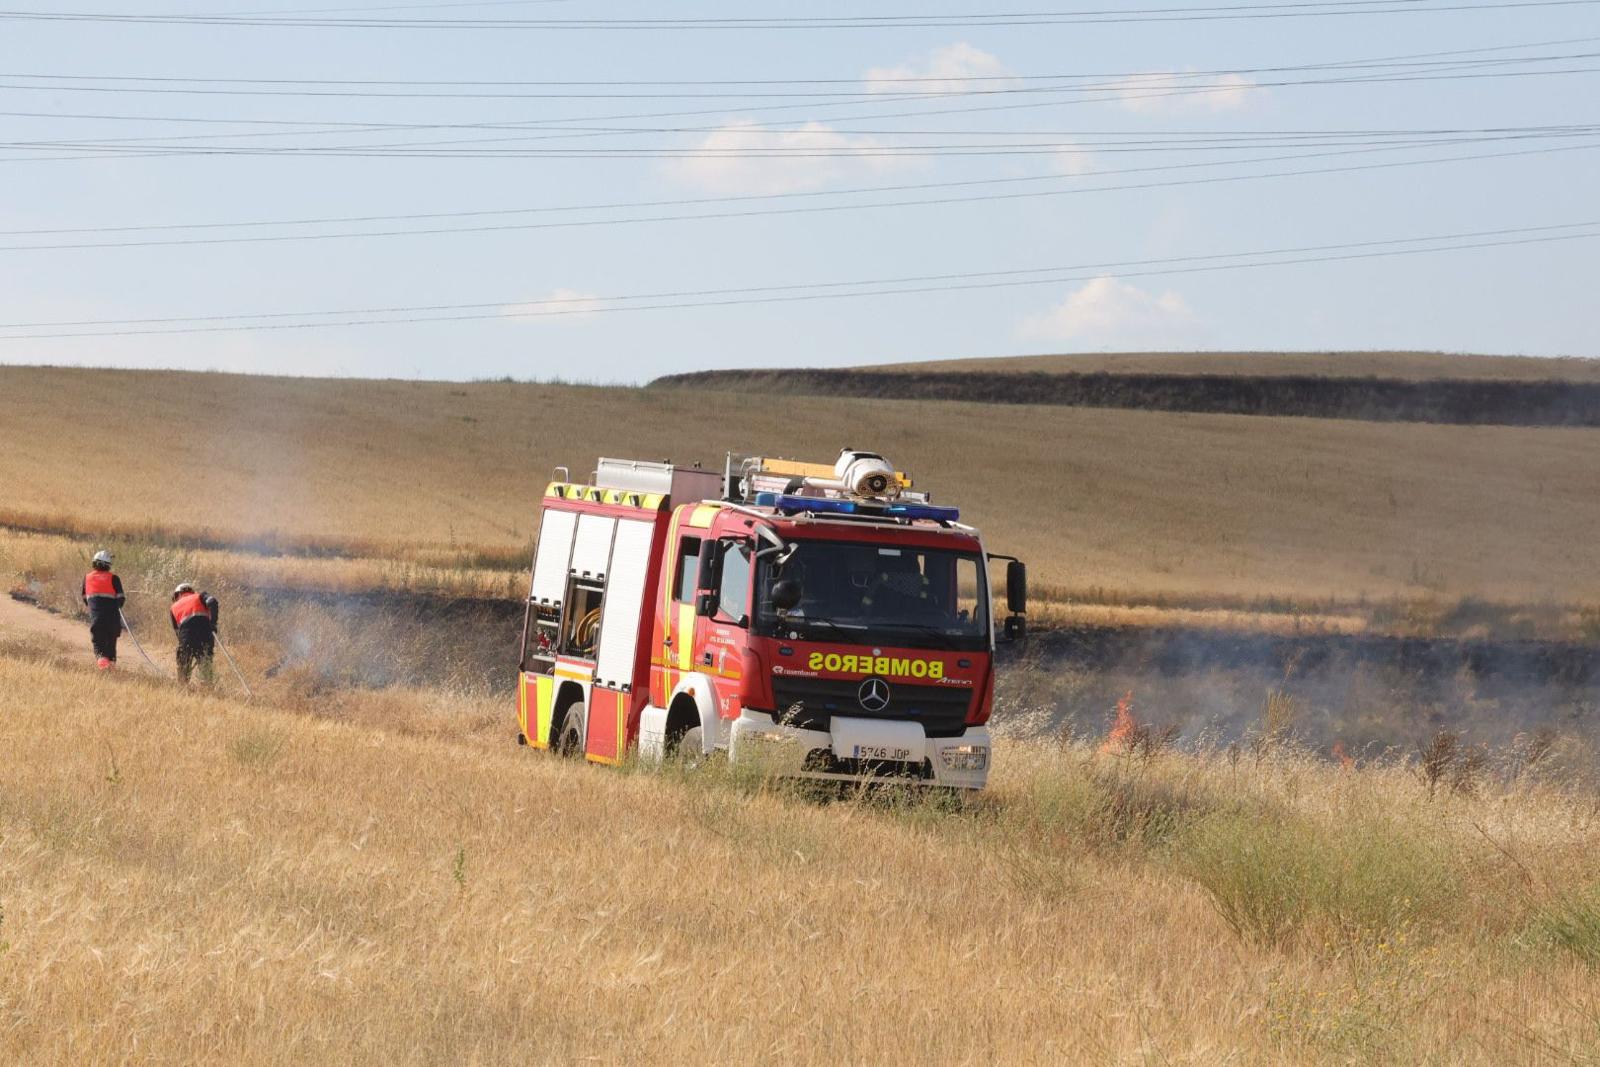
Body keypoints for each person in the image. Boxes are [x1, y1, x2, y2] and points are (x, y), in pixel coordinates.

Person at [81, 549, 126, 670]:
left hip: (97, 619)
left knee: (99, 647)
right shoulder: (114, 578)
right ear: (108, 565)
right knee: (111, 646)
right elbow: (121, 599)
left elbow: (85, 598)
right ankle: (111, 669)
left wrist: (94, 607)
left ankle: (104, 669)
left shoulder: (87, 578)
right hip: (113, 620)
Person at [169, 582, 220, 684]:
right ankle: (208, 689)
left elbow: (177, 631)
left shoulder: (173, 607)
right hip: (205, 635)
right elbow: (213, 602)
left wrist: (185, 644)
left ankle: (183, 688)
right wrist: (213, 623)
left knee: (183, 667)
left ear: (177, 594)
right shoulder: (200, 596)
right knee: (205, 666)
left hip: (186, 637)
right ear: (191, 591)